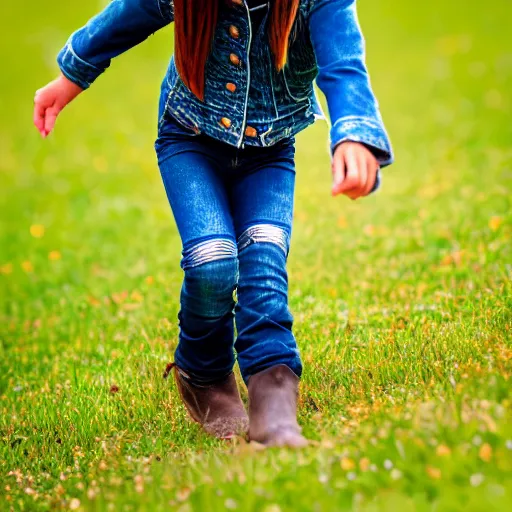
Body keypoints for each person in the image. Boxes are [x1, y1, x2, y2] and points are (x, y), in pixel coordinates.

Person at [33, 0, 393, 447]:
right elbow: (127, 16)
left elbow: (343, 63)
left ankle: (273, 397)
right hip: (189, 138)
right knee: (212, 261)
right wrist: (71, 76)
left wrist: (355, 133)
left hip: (269, 150)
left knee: (264, 258)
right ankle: (202, 371)